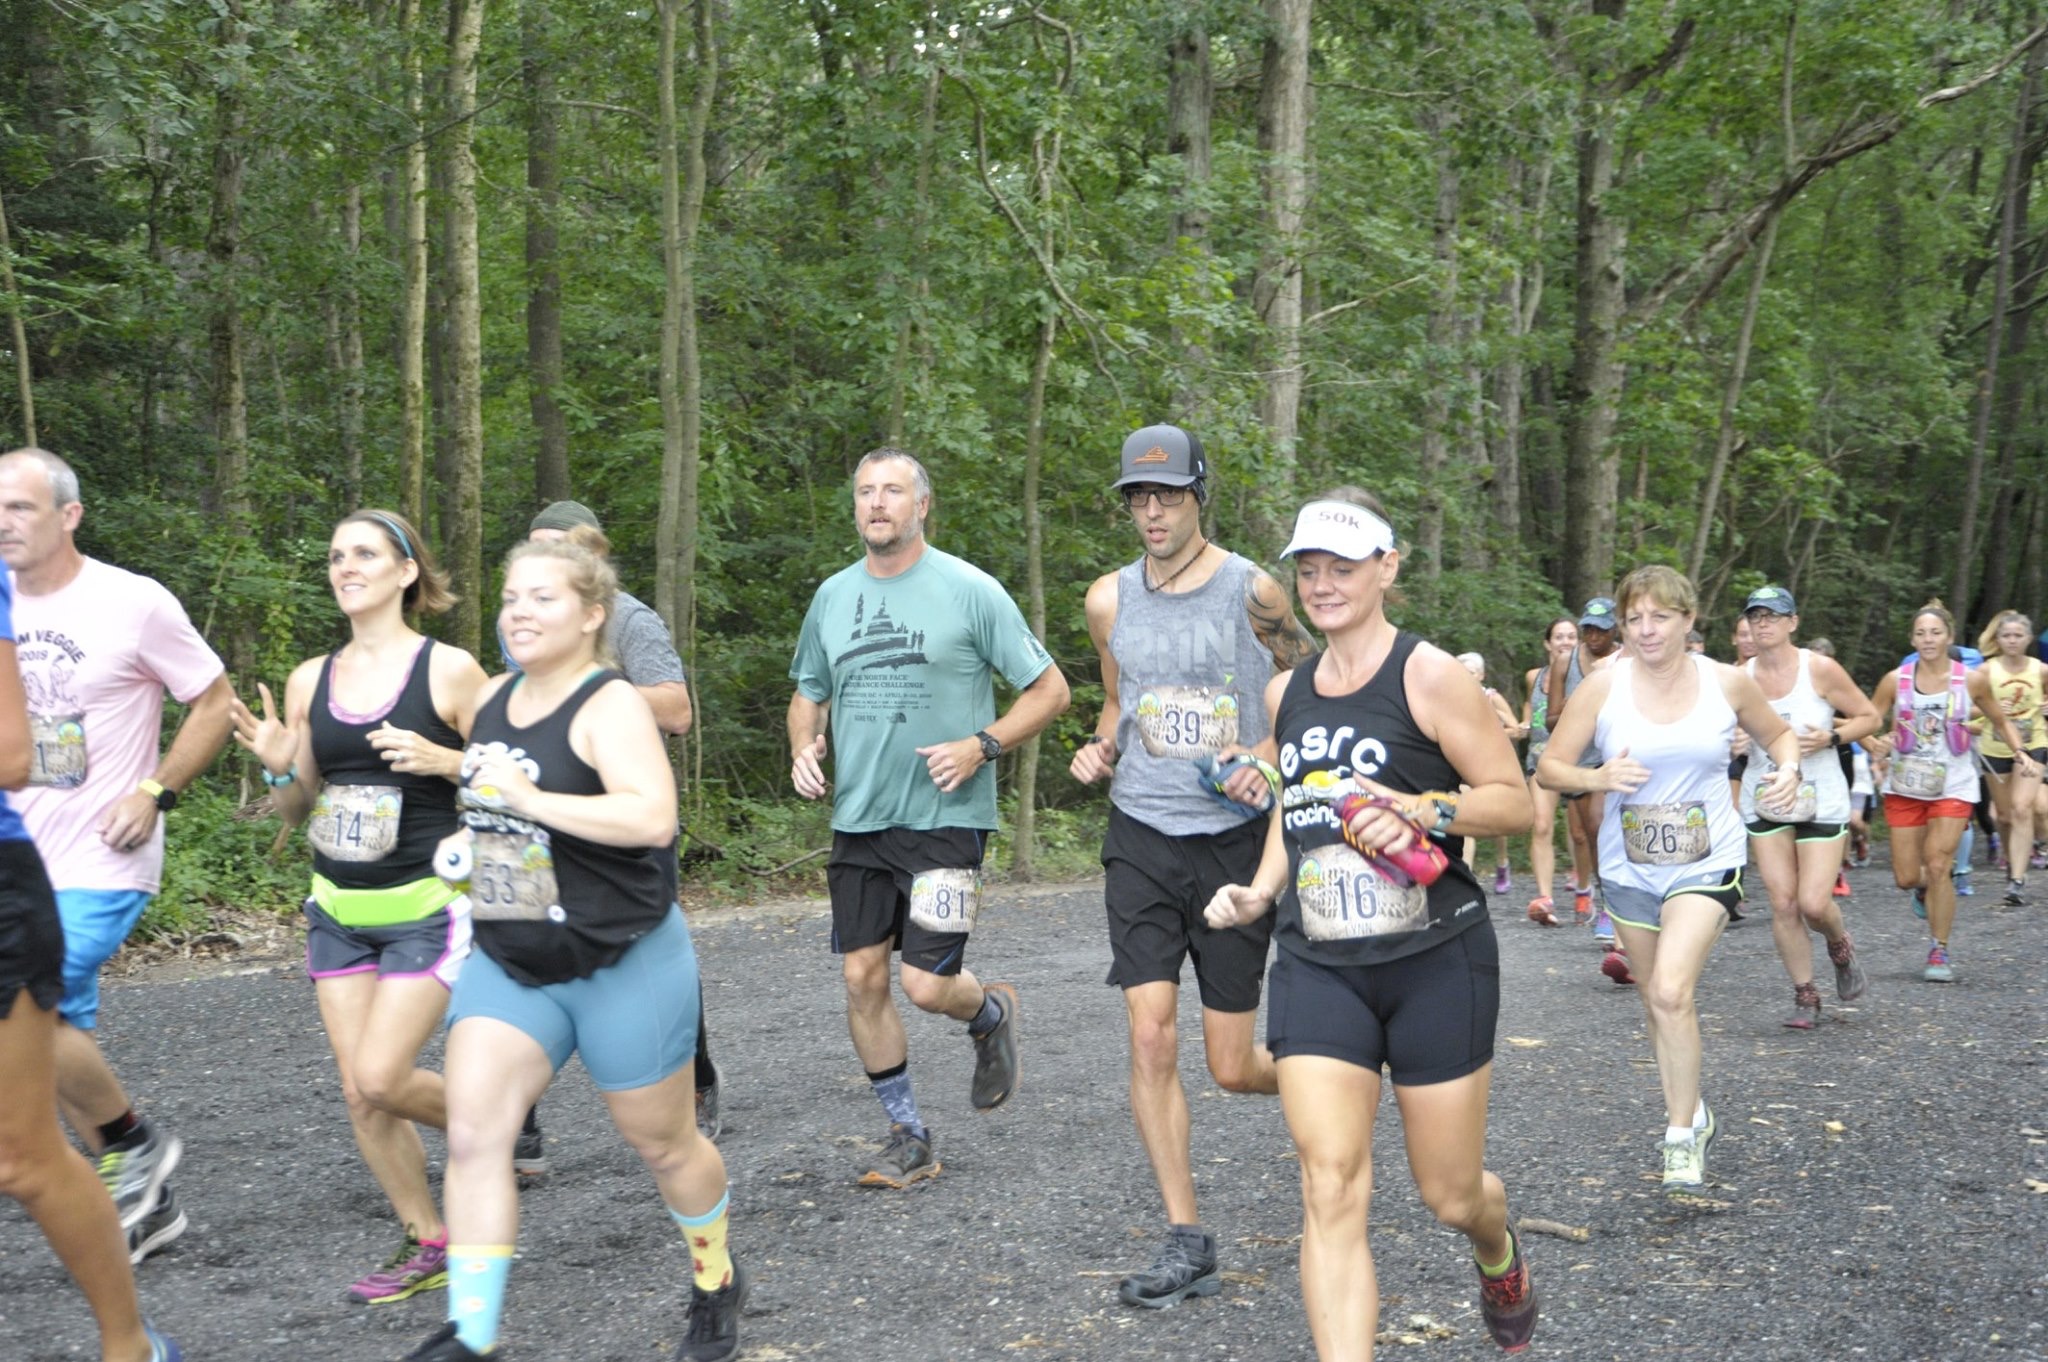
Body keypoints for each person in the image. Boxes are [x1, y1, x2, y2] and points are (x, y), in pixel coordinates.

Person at [1205, 491, 1538, 1358]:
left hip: (1436, 957)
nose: (1321, 585)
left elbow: (1516, 804)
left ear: (1387, 568)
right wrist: (1258, 886)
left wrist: (1422, 807)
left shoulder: (1430, 676)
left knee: (1450, 1193)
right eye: (1308, 569)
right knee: (1329, 1184)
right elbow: (1299, 810)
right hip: (1319, 961)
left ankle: (1494, 1246)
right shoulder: (1287, 693)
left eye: (1342, 568)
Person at [405, 536, 743, 1362]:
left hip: (623, 958)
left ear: (592, 614)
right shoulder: (490, 698)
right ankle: (473, 1334)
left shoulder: (610, 702)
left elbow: (650, 819)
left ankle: (717, 1276)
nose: (518, 611)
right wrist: (469, 844)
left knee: (665, 1145)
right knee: (478, 1134)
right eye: (512, 596)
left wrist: (530, 796)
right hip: (514, 959)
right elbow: (495, 810)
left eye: (542, 598)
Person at [1068, 423, 1313, 1308]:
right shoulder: (1108, 599)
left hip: (1232, 843)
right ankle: (1186, 1235)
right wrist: (1098, 751)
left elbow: (1305, 697)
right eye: (1138, 495)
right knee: (1148, 1033)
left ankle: (1338, 1071)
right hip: (1140, 833)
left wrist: (1265, 751)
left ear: (1198, 496)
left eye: (1167, 494)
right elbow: (1114, 702)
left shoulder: (1255, 592)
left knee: (1233, 1065)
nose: (1151, 510)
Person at [788, 448, 1069, 1187]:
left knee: (925, 984)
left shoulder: (970, 591)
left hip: (947, 815)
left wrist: (983, 745)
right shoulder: (830, 597)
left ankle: (987, 1014)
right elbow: (808, 692)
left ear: (922, 506)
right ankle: (907, 1134)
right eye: (864, 492)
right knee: (860, 976)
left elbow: (1050, 691)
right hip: (860, 819)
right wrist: (802, 744)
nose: (877, 502)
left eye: (893, 491)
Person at [228, 510, 487, 1302]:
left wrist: (448, 758)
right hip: (338, 906)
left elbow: (508, 776)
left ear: (407, 572)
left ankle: (491, 1121)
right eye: (337, 555)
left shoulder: (449, 671)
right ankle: (430, 1238)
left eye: (365, 554)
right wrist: (279, 770)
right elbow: (298, 808)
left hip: (427, 906)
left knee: (381, 1076)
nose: (346, 566)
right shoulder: (312, 679)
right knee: (359, 1089)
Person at [0, 447, 233, 1256]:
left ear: (69, 515)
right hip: (16, 862)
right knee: (55, 1037)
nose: (3, 523)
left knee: (30, 1012)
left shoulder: (133, 602)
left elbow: (213, 698)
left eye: (20, 507)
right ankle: (145, 1203)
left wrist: (156, 790)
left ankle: (132, 1143)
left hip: (102, 857)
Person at [1538, 565, 1803, 1194]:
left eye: (1660, 616)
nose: (1646, 629)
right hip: (1629, 868)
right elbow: (1551, 767)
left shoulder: (1727, 683)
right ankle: (1696, 1110)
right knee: (1657, 1000)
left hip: (1708, 862)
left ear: (1688, 620)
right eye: (1635, 618)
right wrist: (1598, 779)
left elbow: (1781, 735)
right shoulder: (1603, 688)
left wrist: (1788, 769)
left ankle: (1680, 1135)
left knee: (1670, 991)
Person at [0, 561, 182, 1361]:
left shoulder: (134, 601)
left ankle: (128, 1345)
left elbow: (11, 750)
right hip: (44, 868)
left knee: (23, 1158)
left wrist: (154, 791)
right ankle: (129, 1141)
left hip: (41, 878)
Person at [511, 501, 717, 1171]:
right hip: (531, 819)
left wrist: (590, 695)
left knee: (647, 961)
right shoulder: (517, 619)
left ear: (593, 560)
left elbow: (678, 708)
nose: (545, 564)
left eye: (561, 549)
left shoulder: (631, 619)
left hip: (624, 823)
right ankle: (520, 1129)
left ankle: (695, 1081)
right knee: (517, 950)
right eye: (534, 550)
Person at [1733, 587, 1879, 1029]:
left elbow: (1870, 718)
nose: (1763, 624)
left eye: (1772, 616)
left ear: (1792, 622)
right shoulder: (1738, 677)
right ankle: (1805, 994)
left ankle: (1839, 944)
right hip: (1766, 796)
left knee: (1814, 904)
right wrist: (1734, 740)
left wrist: (1831, 738)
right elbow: (1722, 730)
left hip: (1820, 795)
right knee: (1783, 902)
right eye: (1755, 617)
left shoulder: (1820, 669)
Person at [1868, 601, 2037, 982]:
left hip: (1953, 785)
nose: (1928, 639)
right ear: (1912, 639)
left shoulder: (1971, 679)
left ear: (1949, 637)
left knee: (1940, 862)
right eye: (1921, 633)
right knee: (1908, 876)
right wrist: (1874, 743)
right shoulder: (1896, 680)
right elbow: (1868, 720)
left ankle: (1939, 949)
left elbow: (1999, 719)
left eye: (1935, 633)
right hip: (1906, 785)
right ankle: (1924, 890)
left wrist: (2020, 751)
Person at [1545, 596, 1621, 941]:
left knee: (1599, 823)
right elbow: (1550, 720)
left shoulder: (1625, 661)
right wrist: (1583, 711)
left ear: (1614, 630)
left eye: (1601, 630)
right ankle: (1605, 899)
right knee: (1587, 835)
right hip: (1579, 757)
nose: (1593, 636)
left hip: (1614, 754)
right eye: (1588, 628)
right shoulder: (1566, 662)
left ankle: (1617, 907)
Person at [1974, 610, 2044, 906]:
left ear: (2028, 639)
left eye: (2018, 636)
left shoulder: (2040, 670)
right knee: (2002, 816)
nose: (2012, 640)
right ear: (1998, 640)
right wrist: (1990, 709)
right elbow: (1971, 707)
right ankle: (2010, 856)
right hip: (1995, 747)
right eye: (2006, 636)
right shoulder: (1986, 672)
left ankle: (2017, 878)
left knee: (2021, 807)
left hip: (2034, 745)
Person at [1520, 619, 1586, 927]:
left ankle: (1584, 889)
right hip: (1540, 756)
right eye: (1559, 636)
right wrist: (1521, 726)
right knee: (1542, 825)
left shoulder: (1588, 676)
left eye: (1571, 636)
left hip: (1578, 759)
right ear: (1548, 643)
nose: (1565, 641)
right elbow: (1531, 709)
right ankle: (1545, 898)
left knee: (1580, 834)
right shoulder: (1534, 676)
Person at [1457, 652, 1526, 895]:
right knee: (1465, 817)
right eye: (1461, 672)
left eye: (1471, 673)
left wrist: (1489, 733)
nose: (1466, 677)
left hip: (1490, 763)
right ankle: (1466, 874)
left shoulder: (1491, 697)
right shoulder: (1451, 699)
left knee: (1494, 823)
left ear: (1481, 675)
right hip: (1463, 764)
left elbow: (1516, 729)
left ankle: (1502, 862)